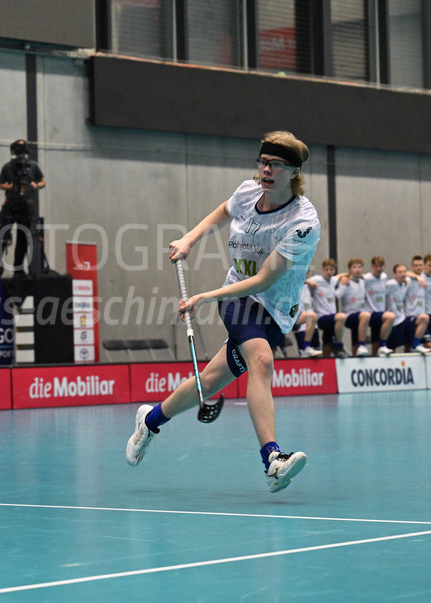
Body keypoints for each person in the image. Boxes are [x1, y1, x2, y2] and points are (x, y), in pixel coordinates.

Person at [126, 131, 319, 493]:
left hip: (273, 308)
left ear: (293, 172)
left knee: (212, 380)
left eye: (275, 165)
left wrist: (204, 297)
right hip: (237, 297)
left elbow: (264, 280)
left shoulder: (302, 223)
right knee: (260, 360)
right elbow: (221, 213)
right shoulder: (248, 192)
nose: (266, 170)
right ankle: (273, 460)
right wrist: (188, 239)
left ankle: (149, 420)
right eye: (263, 162)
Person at [0, 139, 45, 276]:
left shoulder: (33, 166)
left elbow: (42, 180)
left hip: (26, 206)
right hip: (10, 205)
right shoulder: (8, 167)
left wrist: (36, 185)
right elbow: (0, 184)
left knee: (23, 238)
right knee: (3, 235)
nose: (20, 155)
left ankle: (18, 268)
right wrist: (10, 187)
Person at [305, 258, 347, 357]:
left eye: (331, 269)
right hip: (321, 317)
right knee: (341, 317)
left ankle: (327, 359)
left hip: (332, 318)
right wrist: (308, 282)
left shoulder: (333, 280)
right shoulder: (316, 279)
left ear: (334, 271)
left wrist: (345, 277)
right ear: (323, 270)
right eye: (327, 269)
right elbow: (300, 279)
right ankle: (339, 345)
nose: (329, 272)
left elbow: (342, 275)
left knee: (328, 340)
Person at [335, 258, 372, 356]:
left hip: (360, 316)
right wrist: (343, 284)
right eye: (354, 267)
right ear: (349, 269)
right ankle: (362, 345)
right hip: (348, 316)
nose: (357, 269)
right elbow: (336, 295)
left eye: (359, 267)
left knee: (356, 334)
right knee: (365, 316)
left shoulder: (363, 282)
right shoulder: (346, 282)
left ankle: (356, 354)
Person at [363, 255, 395, 355]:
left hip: (381, 312)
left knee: (375, 341)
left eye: (380, 266)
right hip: (371, 313)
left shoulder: (384, 277)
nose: (378, 269)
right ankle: (383, 345)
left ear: (384, 266)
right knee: (390, 317)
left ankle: (379, 349)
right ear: (372, 266)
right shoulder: (367, 278)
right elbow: (351, 275)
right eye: (376, 266)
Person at [403, 255, 431, 353]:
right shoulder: (408, 279)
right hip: (411, 317)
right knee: (408, 346)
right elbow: (404, 273)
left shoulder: (425, 277)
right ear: (412, 266)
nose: (418, 267)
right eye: (416, 265)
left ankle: (415, 346)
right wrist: (416, 276)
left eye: (420, 265)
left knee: (429, 346)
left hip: (422, 317)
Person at [382, 263, 411, 355]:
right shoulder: (390, 284)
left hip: (401, 318)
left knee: (407, 342)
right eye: (399, 272)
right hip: (392, 320)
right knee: (391, 347)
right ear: (395, 274)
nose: (402, 274)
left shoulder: (406, 283)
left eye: (404, 272)